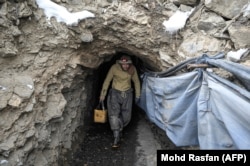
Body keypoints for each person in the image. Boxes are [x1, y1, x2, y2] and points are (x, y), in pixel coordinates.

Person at [100, 55, 141, 148]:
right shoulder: (114, 68)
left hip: (127, 93)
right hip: (115, 93)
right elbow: (107, 80)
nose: (125, 66)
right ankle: (116, 135)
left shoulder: (132, 69)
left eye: (127, 64)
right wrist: (103, 94)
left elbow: (137, 82)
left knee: (126, 115)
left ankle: (120, 128)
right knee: (114, 114)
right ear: (120, 63)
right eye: (123, 64)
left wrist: (138, 95)